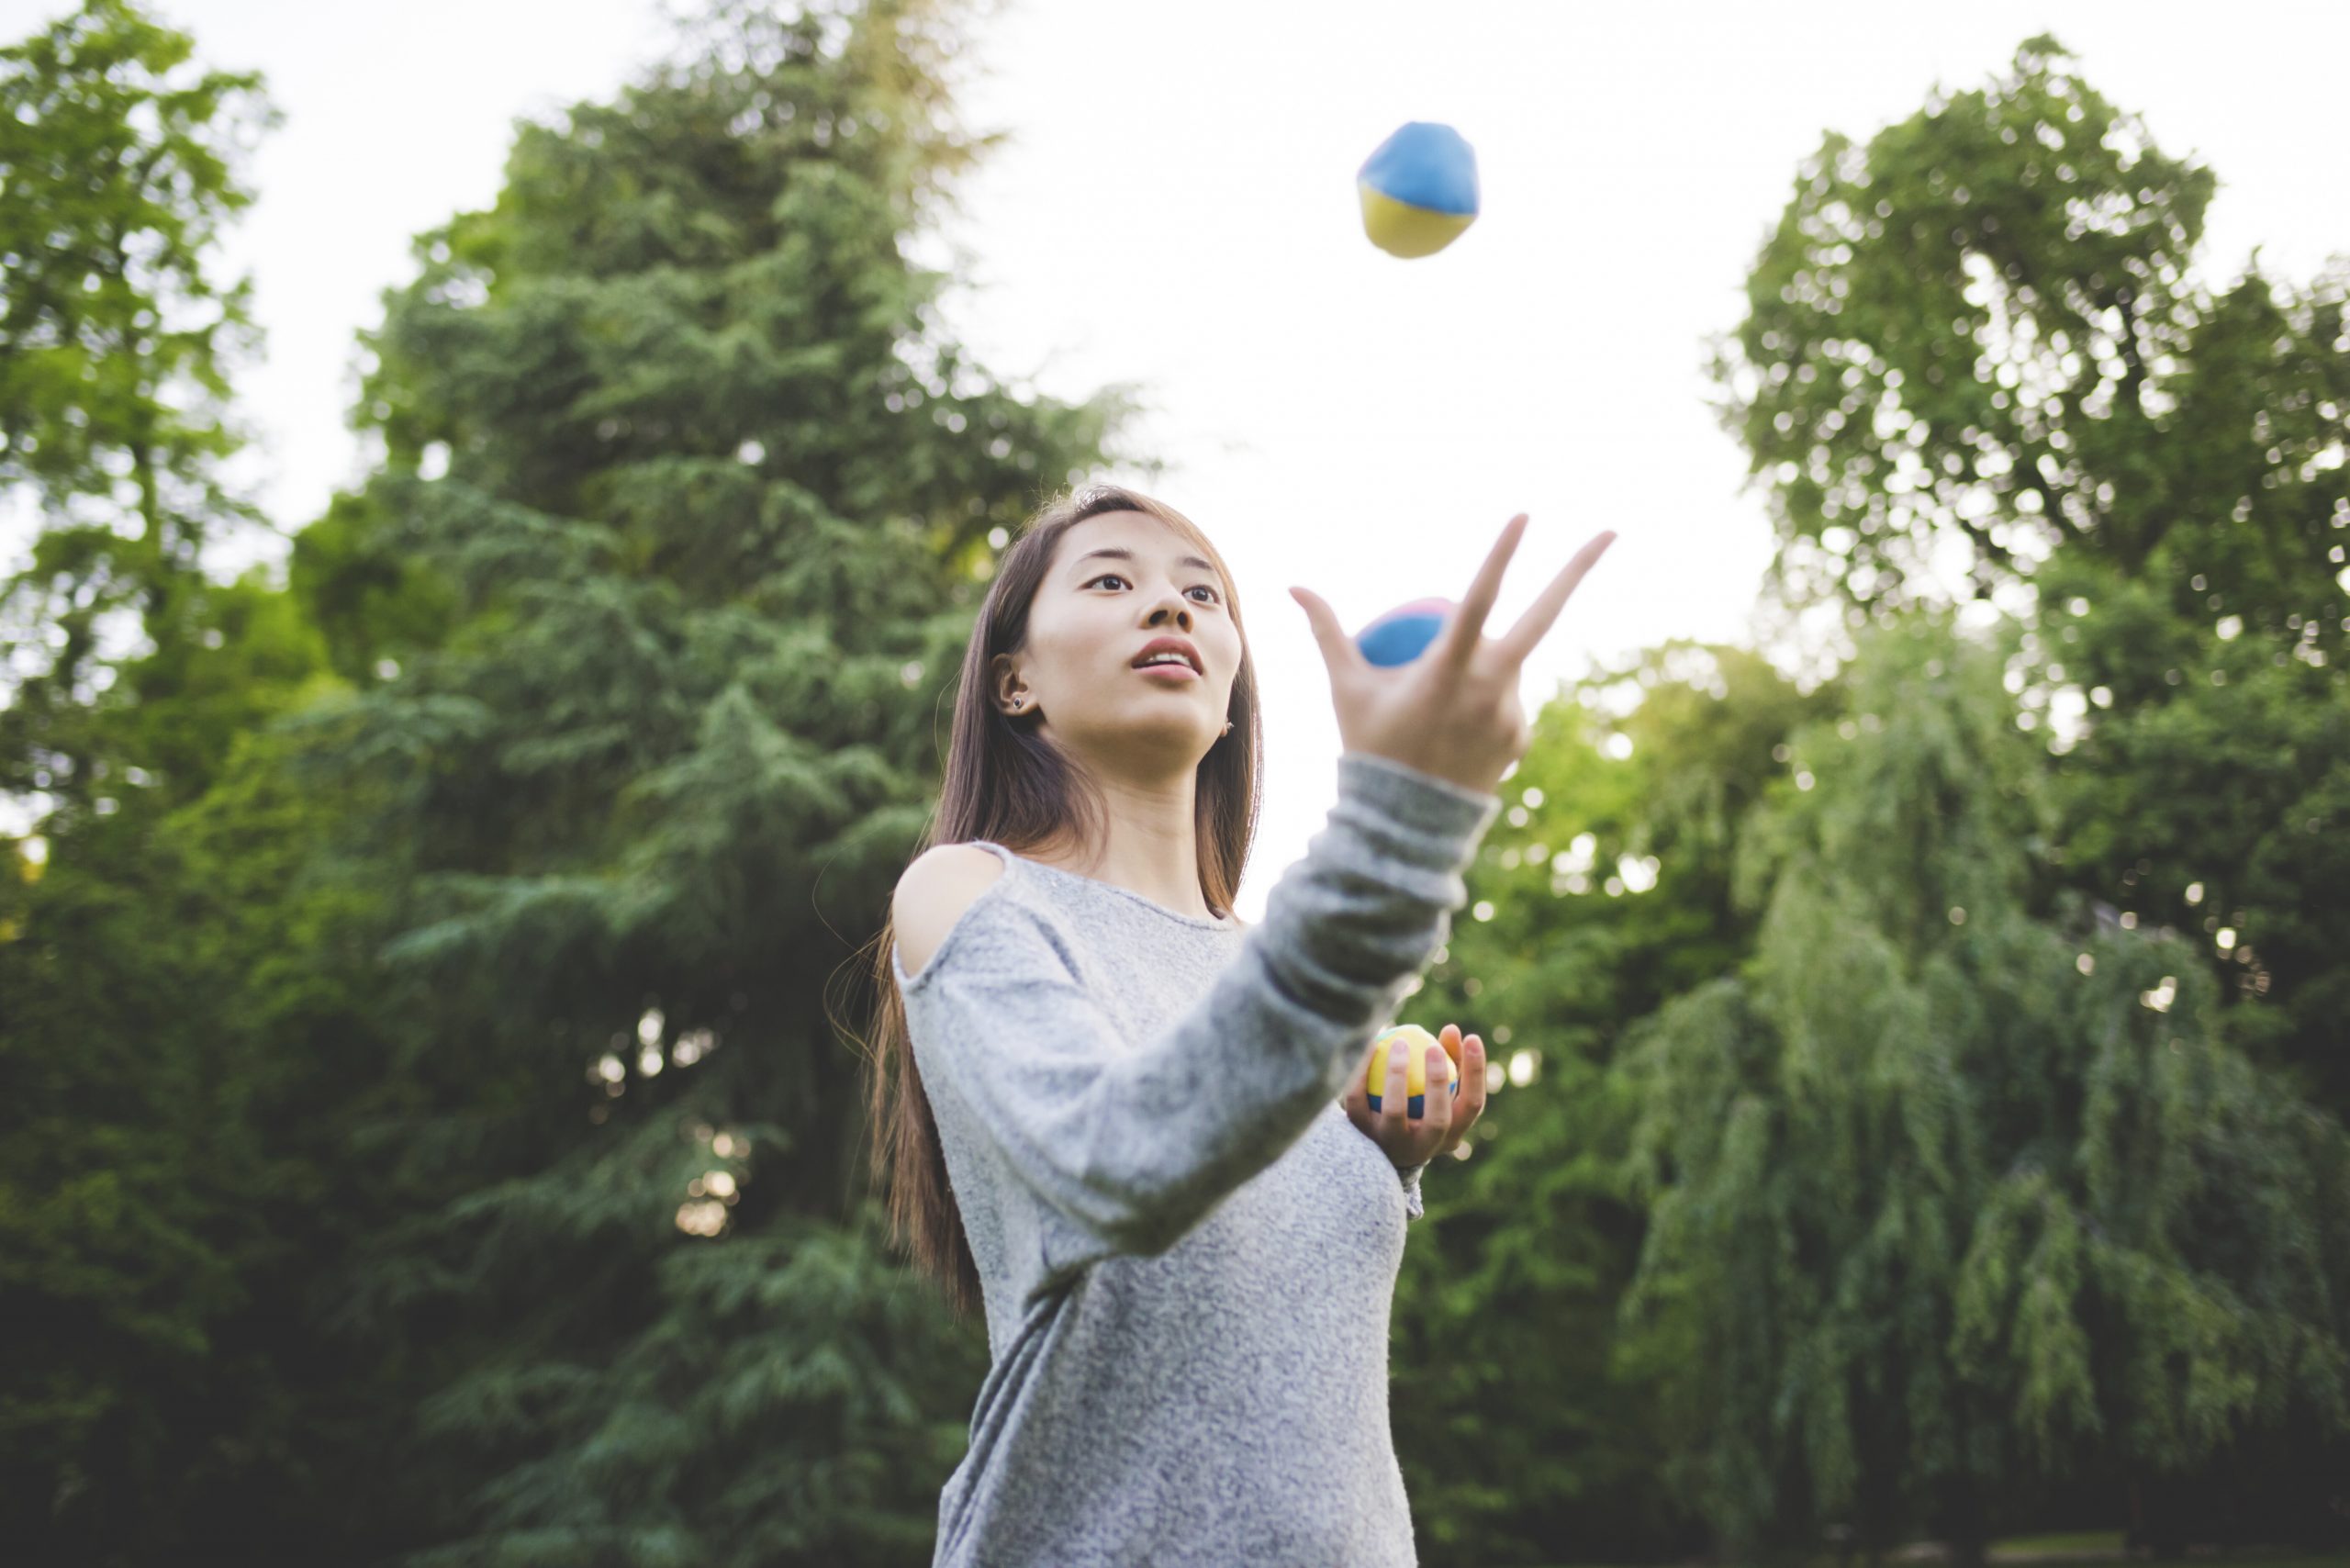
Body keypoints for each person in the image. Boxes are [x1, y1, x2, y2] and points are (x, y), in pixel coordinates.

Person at [858, 483, 1615, 1566]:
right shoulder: (967, 895)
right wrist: (1405, 818)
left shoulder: (1281, 975)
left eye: (1200, 594)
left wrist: (1382, 1153)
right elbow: (1121, 1162)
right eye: (1112, 580)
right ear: (1013, 682)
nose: (1167, 608)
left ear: (1228, 702)